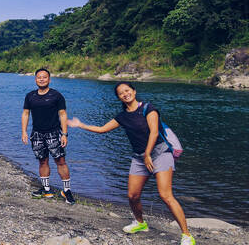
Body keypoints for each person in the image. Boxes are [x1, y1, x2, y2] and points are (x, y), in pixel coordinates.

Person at [67, 81, 196, 245]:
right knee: (132, 195)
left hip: (160, 153)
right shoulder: (122, 117)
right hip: (139, 157)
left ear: (134, 91)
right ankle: (141, 223)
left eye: (127, 90)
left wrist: (148, 154)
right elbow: (102, 129)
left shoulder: (148, 109)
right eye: (121, 93)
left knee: (165, 195)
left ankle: (186, 235)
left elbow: (154, 132)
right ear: (119, 98)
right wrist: (80, 125)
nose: (125, 94)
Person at [21, 68, 75, 205]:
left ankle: (67, 191)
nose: (41, 79)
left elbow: (63, 114)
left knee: (60, 161)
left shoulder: (56, 96)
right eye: (39, 77)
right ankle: (46, 190)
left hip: (54, 133)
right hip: (37, 134)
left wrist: (64, 134)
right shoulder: (30, 96)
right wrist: (24, 132)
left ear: (49, 79)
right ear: (35, 79)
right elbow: (25, 114)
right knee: (42, 161)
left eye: (44, 77)